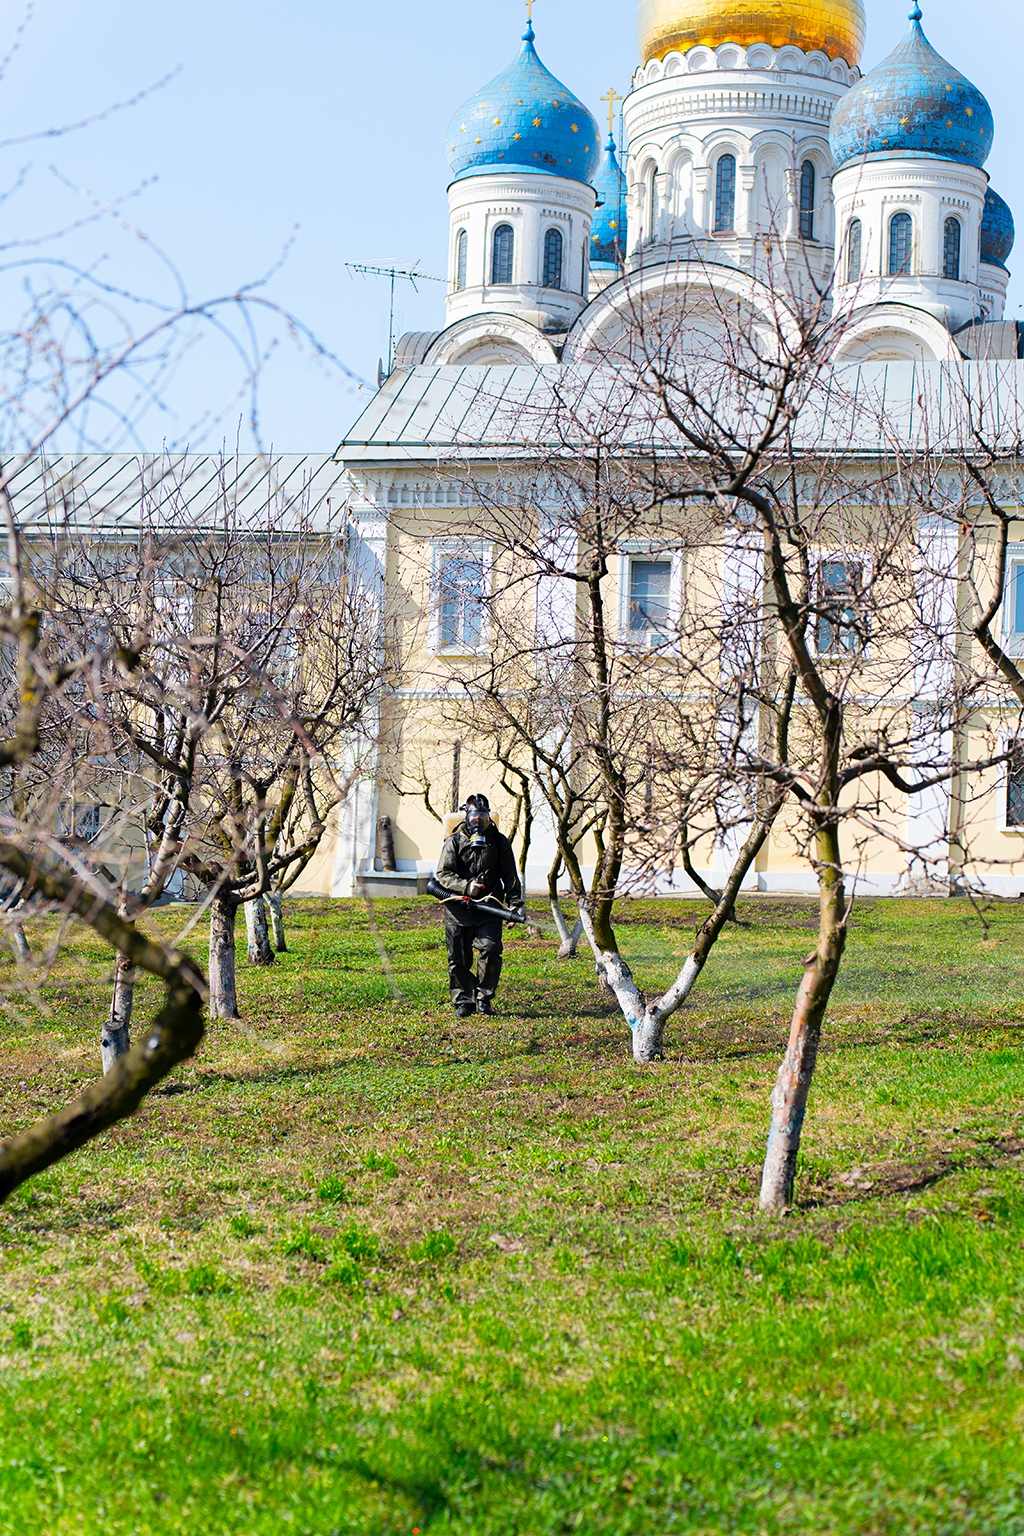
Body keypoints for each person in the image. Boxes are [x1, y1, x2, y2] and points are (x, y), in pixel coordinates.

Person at [434, 794, 524, 1017]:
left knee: (491, 950)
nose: (478, 822)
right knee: (458, 957)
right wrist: (466, 886)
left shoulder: (499, 842)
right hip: (459, 908)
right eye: (474, 815)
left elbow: (510, 876)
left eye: (483, 816)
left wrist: (515, 903)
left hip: (489, 907)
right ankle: (464, 1000)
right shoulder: (453, 842)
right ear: (466, 815)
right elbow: (442, 874)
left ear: (488, 816)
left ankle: (484, 997)